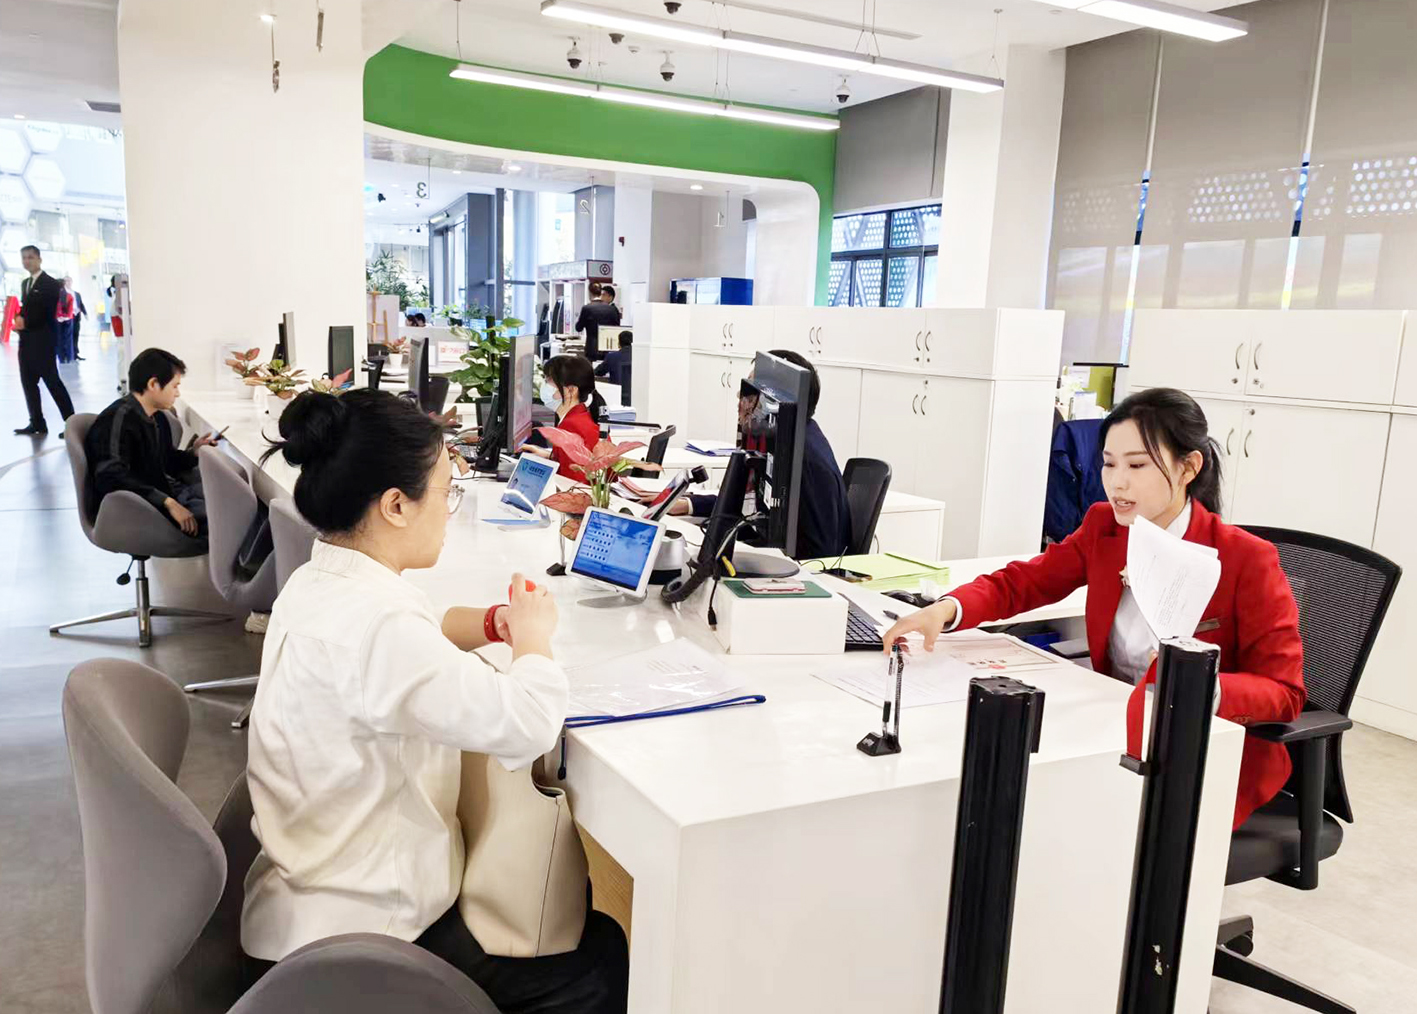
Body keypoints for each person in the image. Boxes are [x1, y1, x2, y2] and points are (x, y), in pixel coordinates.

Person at [242, 389, 627, 1014]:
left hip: (301, 908)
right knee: (600, 964)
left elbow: (413, 635)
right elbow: (528, 722)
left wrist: (493, 622)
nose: (450, 510)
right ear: (396, 505)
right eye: (447, 492)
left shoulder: (322, 580)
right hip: (370, 940)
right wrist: (534, 636)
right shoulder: (379, 625)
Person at [881, 387, 1305, 830]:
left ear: (1188, 467)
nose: (1117, 482)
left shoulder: (1244, 558)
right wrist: (947, 609)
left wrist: (1196, 684)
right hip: (1109, 730)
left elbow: (1285, 692)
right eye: (1108, 463)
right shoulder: (1105, 526)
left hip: (1201, 756)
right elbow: (1025, 582)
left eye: (1137, 465)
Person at [659, 349, 851, 562]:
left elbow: (819, 555)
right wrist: (689, 504)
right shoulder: (785, 440)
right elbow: (748, 506)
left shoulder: (804, 459)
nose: (739, 397)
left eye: (749, 391)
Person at [85, 348, 215, 538]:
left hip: (166, 493)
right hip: (142, 508)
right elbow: (110, 476)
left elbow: (165, 460)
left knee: (226, 500)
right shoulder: (118, 419)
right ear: (153, 384)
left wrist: (193, 453)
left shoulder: (156, 416)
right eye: (174, 386)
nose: (177, 393)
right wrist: (168, 502)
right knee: (229, 519)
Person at [12, 245, 75, 436]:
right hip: (26, 342)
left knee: (53, 382)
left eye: (30, 257)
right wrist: (19, 318)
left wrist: (26, 321)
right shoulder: (25, 283)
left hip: (43, 343)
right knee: (28, 383)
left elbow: (46, 313)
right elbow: (27, 308)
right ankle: (37, 422)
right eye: (24, 258)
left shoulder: (50, 284)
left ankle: (71, 423)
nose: (27, 261)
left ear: (39, 259)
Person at [519, 354, 605, 479]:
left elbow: (572, 481)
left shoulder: (571, 425)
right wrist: (549, 456)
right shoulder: (580, 416)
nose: (544, 386)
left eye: (549, 380)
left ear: (571, 390)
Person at [573, 283, 621, 361]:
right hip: (608, 348)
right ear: (600, 293)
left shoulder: (587, 308)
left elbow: (578, 328)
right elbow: (616, 328)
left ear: (589, 293)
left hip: (592, 348)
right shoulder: (612, 309)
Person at [54, 277, 77, 363]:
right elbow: (70, 309)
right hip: (68, 320)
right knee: (68, 339)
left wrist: (58, 317)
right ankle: (69, 357)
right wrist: (66, 317)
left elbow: (53, 309)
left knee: (59, 339)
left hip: (57, 320)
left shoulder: (54, 296)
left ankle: (61, 358)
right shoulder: (69, 296)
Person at [66, 277, 88, 360]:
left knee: (76, 334)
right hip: (68, 316)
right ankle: (68, 353)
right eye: (66, 281)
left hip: (76, 316)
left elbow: (81, 304)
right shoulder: (63, 293)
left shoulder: (76, 294)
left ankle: (75, 353)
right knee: (68, 335)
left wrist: (85, 313)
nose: (68, 283)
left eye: (69, 281)